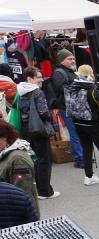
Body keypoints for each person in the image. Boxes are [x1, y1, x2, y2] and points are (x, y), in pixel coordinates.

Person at [66, 65, 99, 186]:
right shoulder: (93, 89)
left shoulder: (72, 88)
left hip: (78, 123)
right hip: (93, 124)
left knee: (86, 150)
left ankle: (88, 176)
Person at [15, 67, 54, 201]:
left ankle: (38, 188)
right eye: (38, 77)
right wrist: (50, 119)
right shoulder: (37, 92)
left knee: (35, 159)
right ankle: (45, 191)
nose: (41, 80)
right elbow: (43, 112)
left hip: (25, 129)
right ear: (29, 78)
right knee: (44, 159)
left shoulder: (19, 91)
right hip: (38, 128)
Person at [49, 49, 83, 168]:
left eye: (73, 58)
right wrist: (79, 86)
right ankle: (79, 159)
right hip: (67, 107)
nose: (73, 60)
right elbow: (62, 90)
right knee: (75, 133)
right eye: (69, 59)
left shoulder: (70, 72)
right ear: (62, 60)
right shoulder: (59, 73)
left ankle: (82, 156)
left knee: (79, 132)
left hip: (76, 106)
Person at [0, 119, 40, 211]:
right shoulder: (4, 153)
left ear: (5, 137)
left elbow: (22, 192)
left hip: (15, 213)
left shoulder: (18, 160)